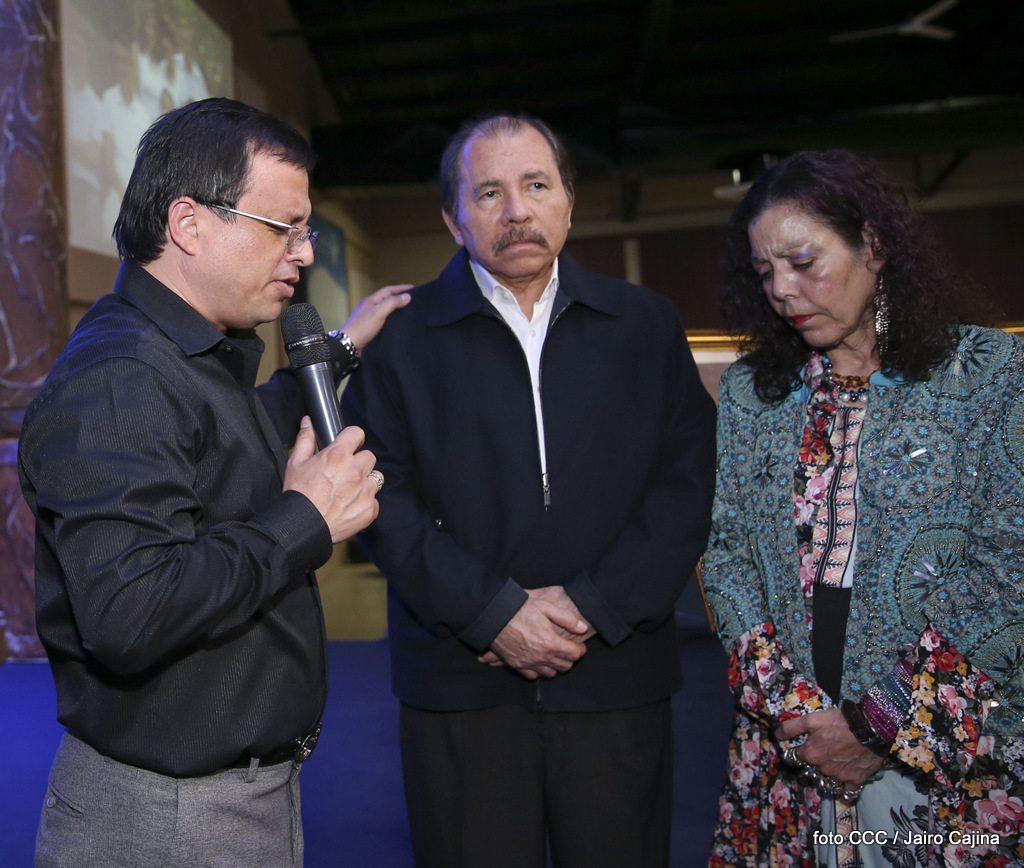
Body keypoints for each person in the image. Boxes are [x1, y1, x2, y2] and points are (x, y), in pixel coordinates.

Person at [18, 97, 410, 867]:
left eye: (306, 231)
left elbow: (235, 437)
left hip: (224, 799)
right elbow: (132, 612)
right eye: (284, 228)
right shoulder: (120, 377)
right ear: (189, 224)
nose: (303, 253)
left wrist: (339, 350)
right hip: (168, 819)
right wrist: (305, 517)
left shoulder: (182, 356)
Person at [340, 112, 717, 868]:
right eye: (488, 193)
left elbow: (688, 484)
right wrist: (492, 615)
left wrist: (591, 607)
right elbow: (380, 499)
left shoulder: (644, 324)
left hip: (614, 676)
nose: (516, 210)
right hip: (461, 682)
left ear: (568, 202)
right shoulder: (401, 339)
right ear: (453, 220)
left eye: (537, 185)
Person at [701, 149, 1024, 868]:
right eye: (764, 272)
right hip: (790, 752)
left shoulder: (991, 376)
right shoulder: (753, 395)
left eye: (802, 262)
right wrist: (791, 710)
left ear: (873, 246)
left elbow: (1010, 570)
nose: (782, 290)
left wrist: (879, 725)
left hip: (956, 753)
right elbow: (725, 556)